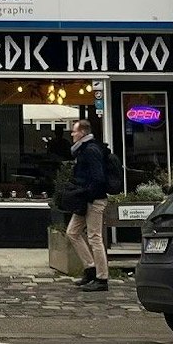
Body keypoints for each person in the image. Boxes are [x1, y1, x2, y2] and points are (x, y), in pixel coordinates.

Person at [62, 118, 112, 292]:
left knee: (94, 237)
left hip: (94, 199)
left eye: (74, 131)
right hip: (85, 199)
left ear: (82, 132)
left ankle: (102, 278)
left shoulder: (90, 150)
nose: (72, 134)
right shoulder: (82, 150)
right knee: (72, 232)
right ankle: (90, 268)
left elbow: (98, 177)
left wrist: (87, 193)